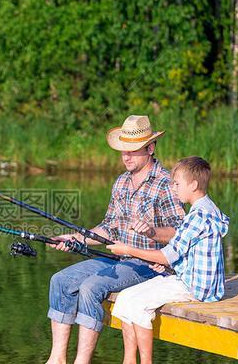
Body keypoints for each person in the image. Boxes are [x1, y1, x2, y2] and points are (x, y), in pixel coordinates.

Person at [46, 115, 185, 364]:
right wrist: (74, 239)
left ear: (150, 148)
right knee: (60, 280)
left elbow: (181, 230)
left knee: (91, 287)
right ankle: (56, 359)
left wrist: (152, 231)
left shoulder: (165, 183)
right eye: (123, 151)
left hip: (150, 264)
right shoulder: (121, 182)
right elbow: (108, 229)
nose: (126, 157)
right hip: (118, 257)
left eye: (133, 151)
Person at [106, 156, 229, 364]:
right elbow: (186, 253)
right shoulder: (209, 209)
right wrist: (168, 264)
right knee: (125, 298)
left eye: (177, 183)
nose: (173, 188)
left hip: (195, 287)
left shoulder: (197, 217)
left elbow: (166, 254)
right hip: (193, 278)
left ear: (193, 185)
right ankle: (129, 360)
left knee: (138, 305)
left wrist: (129, 249)